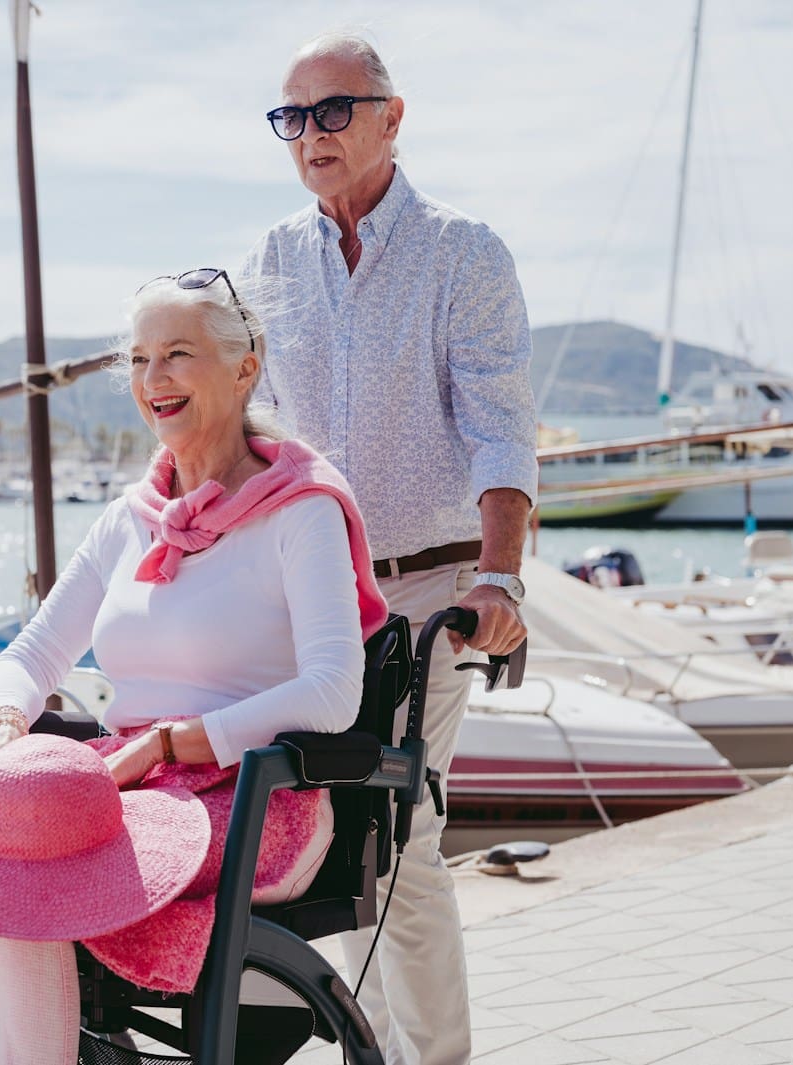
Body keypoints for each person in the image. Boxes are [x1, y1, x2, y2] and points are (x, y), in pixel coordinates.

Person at [0, 269, 391, 1064]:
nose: (152, 380)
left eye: (176, 354)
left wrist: (171, 743)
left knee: (28, 877)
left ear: (246, 367)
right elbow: (29, 655)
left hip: (251, 795)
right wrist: (2, 736)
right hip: (127, 792)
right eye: (138, 359)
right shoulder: (129, 521)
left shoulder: (299, 509)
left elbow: (335, 693)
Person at [244, 32, 537, 1065]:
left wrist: (500, 578)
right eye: (292, 117)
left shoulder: (464, 251)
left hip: (437, 590)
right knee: (318, 836)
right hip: (314, 595)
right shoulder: (275, 259)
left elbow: (500, 426)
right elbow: (260, 436)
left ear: (390, 116)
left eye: (333, 111)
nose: (310, 135)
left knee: (399, 838)